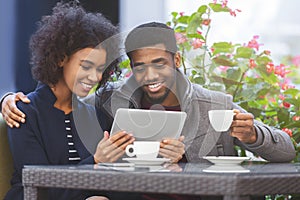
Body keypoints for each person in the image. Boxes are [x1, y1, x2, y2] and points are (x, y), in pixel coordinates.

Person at [1, 22, 296, 163]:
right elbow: (62, 99)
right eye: (140, 66)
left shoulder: (215, 104)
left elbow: (287, 151)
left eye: (159, 63)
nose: (150, 75)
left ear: (176, 60)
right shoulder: (108, 101)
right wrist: (9, 99)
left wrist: (253, 135)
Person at [3, 1, 135, 200]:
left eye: (100, 69)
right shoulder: (24, 112)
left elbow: (109, 182)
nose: (95, 77)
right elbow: (38, 184)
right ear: (60, 58)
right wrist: (96, 161)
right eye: (86, 66)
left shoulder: (96, 115)